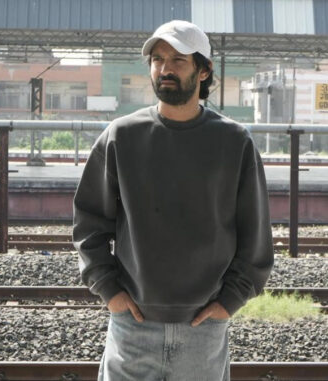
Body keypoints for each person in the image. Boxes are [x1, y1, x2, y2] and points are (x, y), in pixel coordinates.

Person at [73, 20, 273, 380]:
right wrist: (110, 292)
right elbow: (88, 223)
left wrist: (228, 303)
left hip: (204, 333)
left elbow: (255, 237)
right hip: (132, 328)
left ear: (204, 69)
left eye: (178, 60)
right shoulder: (121, 136)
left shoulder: (235, 142)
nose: (164, 68)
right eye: (157, 59)